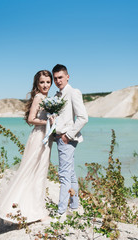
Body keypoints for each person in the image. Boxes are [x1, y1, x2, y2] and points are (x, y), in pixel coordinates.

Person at [0, 70, 54, 223]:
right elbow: (30, 119)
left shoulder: (47, 98)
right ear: (37, 83)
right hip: (39, 137)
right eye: (42, 82)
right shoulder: (39, 97)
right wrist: (48, 122)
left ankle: (31, 207)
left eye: (48, 82)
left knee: (38, 172)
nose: (45, 85)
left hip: (45, 137)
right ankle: (37, 212)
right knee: (34, 171)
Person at [52, 64, 88, 218]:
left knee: (64, 175)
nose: (58, 81)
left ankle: (61, 212)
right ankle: (74, 206)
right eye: (55, 78)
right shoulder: (57, 95)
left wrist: (68, 135)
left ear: (67, 76)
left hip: (67, 139)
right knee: (71, 174)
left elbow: (83, 118)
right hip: (59, 138)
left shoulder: (73, 92)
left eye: (60, 77)